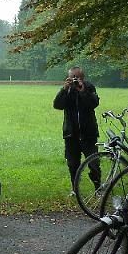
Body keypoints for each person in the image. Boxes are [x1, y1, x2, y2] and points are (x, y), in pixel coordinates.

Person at [53, 66, 100, 195]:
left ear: (82, 78)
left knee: (94, 163)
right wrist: (64, 90)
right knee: (73, 164)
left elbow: (94, 103)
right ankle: (75, 189)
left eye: (77, 77)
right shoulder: (67, 90)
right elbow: (57, 105)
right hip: (71, 133)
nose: (74, 80)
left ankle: (98, 188)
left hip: (88, 133)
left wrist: (82, 91)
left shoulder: (89, 87)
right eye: (71, 77)